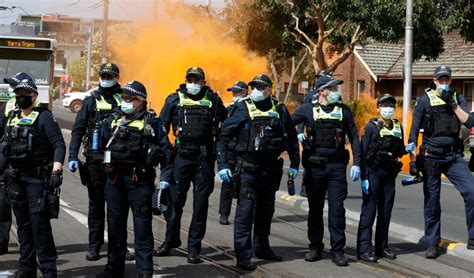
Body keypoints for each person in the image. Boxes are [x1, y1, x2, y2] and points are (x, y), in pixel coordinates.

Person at [217, 74, 300, 270]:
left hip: (270, 170)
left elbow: (291, 138)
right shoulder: (241, 107)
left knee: (266, 212)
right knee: (245, 213)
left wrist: (295, 164)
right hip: (247, 169)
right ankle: (243, 256)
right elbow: (224, 137)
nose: (256, 90)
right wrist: (223, 165)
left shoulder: (279, 109)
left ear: (269, 90)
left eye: (260, 87)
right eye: (253, 86)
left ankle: (262, 248)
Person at [97, 81, 173, 278]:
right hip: (114, 182)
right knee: (115, 229)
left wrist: (165, 179)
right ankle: (114, 269)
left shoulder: (152, 123)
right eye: (124, 97)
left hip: (139, 183)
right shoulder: (113, 120)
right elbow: (99, 148)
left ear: (141, 101)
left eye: (130, 98)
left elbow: (167, 153)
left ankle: (144, 271)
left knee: (142, 230)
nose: (125, 101)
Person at [155, 67, 227, 264]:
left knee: (200, 204)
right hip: (181, 156)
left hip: (204, 158)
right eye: (190, 80)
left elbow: (226, 123)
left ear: (204, 82)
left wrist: (220, 148)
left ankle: (194, 248)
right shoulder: (174, 99)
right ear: (185, 81)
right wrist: (168, 150)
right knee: (174, 201)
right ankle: (170, 241)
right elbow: (161, 125)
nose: (194, 84)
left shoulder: (213, 100)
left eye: (197, 80)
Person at [292, 73, 361, 267]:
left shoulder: (344, 111)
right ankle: (315, 247)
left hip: (337, 167)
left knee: (337, 210)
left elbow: (355, 136)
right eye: (333, 88)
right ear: (322, 90)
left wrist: (357, 163)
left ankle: (338, 250)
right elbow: (287, 123)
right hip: (314, 167)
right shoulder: (307, 109)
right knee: (315, 209)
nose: (336, 92)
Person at [68, 63, 134, 261]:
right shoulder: (90, 101)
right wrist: (72, 156)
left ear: (116, 77)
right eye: (104, 75)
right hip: (95, 162)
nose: (106, 78)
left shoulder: (123, 99)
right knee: (96, 206)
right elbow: (78, 130)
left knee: (118, 208)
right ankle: (95, 246)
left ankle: (119, 247)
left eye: (110, 75)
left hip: (118, 161)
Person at [1, 76, 65, 277]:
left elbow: (58, 145)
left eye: (25, 94)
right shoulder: (11, 116)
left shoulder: (44, 116)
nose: (21, 98)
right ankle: (26, 268)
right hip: (15, 180)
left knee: (40, 227)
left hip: (37, 181)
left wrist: (56, 170)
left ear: (34, 96)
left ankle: (48, 270)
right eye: (18, 94)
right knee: (23, 227)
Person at [409, 66, 474, 258]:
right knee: (432, 201)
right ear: (434, 81)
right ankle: (432, 243)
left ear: (451, 80)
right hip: (431, 156)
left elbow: (469, 122)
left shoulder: (457, 98)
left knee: (471, 191)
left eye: (447, 80)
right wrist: (413, 160)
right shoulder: (424, 100)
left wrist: (453, 106)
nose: (444, 83)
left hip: (453, 156)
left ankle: (473, 237)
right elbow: (413, 131)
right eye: (441, 80)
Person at [356, 94, 415, 262]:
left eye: (391, 105)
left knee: (385, 212)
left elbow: (398, 150)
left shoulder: (397, 127)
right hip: (373, 174)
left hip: (389, 175)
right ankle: (364, 248)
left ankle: (382, 247)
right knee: (369, 212)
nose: (388, 108)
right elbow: (363, 152)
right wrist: (364, 177)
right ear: (378, 108)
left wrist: (406, 149)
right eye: (384, 105)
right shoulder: (371, 127)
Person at [0, 72, 32, 256]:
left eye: (15, 86)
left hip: (24, 167)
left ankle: (28, 248)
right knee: (2, 206)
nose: (12, 90)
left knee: (23, 212)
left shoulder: (37, 110)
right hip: (6, 164)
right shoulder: (7, 107)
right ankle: (2, 244)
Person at [218, 81, 248, 225]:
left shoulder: (249, 109)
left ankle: (245, 215)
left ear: (244, 93)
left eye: (237, 92)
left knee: (245, 183)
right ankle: (224, 214)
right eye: (233, 93)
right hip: (230, 150)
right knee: (227, 184)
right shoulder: (229, 109)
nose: (234, 95)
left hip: (243, 150)